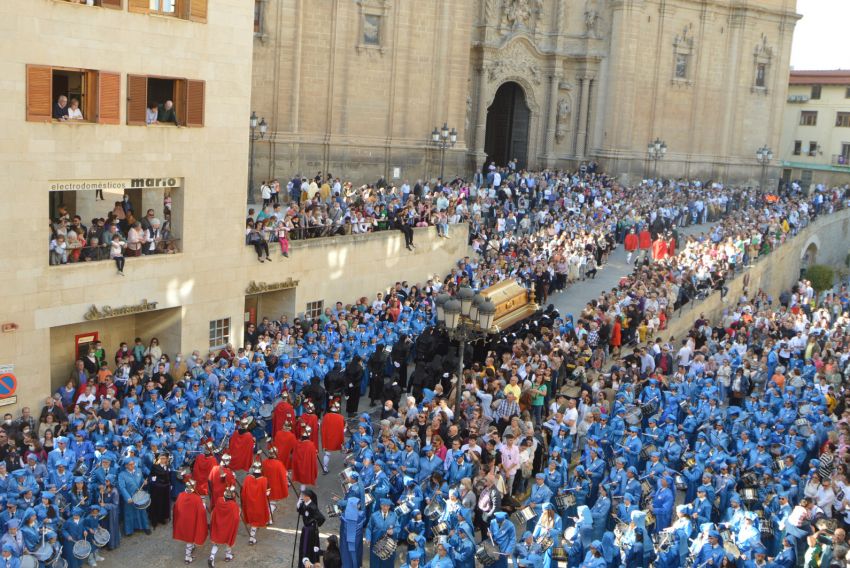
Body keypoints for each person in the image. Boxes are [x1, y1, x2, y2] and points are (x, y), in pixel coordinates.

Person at [172, 479, 208, 564]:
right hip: (192, 522)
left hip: (182, 521)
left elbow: (176, 508)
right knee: (190, 539)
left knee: (189, 539)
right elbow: (202, 511)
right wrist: (203, 504)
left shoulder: (180, 495)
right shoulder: (196, 498)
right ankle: (187, 557)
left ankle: (190, 551)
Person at [117, 458, 150, 536]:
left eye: (133, 464)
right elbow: (122, 487)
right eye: (130, 465)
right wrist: (128, 497)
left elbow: (141, 479)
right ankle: (129, 531)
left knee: (142, 511)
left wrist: (144, 482)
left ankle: (146, 527)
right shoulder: (122, 475)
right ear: (126, 466)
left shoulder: (138, 470)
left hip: (139, 495)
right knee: (129, 513)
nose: (133, 466)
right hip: (130, 497)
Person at [208, 485, 239, 567]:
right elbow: (236, 518)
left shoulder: (219, 500)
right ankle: (228, 556)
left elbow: (214, 511)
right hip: (228, 527)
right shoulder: (233, 505)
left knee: (216, 543)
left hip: (218, 525)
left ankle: (212, 557)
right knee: (228, 541)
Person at [240, 461, 270, 545]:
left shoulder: (247, 478)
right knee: (255, 521)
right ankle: (252, 537)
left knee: (253, 519)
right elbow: (267, 494)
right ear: (261, 469)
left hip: (249, 503)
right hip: (259, 504)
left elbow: (243, 492)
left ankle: (252, 535)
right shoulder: (265, 480)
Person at [365, 498, 399, 568]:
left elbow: (398, 527)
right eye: (383, 505)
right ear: (380, 505)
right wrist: (368, 538)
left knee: (387, 561)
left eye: (387, 506)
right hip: (376, 542)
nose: (385, 507)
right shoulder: (374, 515)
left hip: (389, 543)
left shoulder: (394, 515)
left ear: (389, 506)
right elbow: (369, 528)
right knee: (375, 561)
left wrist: (393, 531)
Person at [297, 489, 325, 566]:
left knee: (310, 546)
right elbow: (300, 511)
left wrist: (314, 523)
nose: (302, 497)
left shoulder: (313, 507)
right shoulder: (304, 504)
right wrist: (299, 503)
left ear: (308, 497)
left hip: (311, 530)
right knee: (304, 546)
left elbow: (322, 518)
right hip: (305, 529)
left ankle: (310, 562)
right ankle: (303, 563)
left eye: (304, 496)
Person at [339, 497, 365, 568]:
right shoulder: (361, 514)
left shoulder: (344, 515)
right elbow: (364, 520)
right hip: (356, 539)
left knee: (346, 555)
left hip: (346, 539)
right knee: (355, 554)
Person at [148, 452, 172, 528]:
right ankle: (154, 520)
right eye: (161, 458)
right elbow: (151, 475)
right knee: (156, 504)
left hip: (165, 488)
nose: (163, 460)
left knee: (164, 503)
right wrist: (153, 480)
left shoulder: (168, 466)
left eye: (164, 458)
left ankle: (162, 518)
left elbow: (169, 476)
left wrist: (170, 484)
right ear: (158, 459)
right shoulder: (155, 466)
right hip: (157, 488)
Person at [292, 425, 318, 489]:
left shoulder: (297, 442)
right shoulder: (311, 445)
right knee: (303, 480)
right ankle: (302, 492)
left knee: (301, 478)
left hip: (298, 464)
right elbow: (313, 456)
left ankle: (302, 491)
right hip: (306, 464)